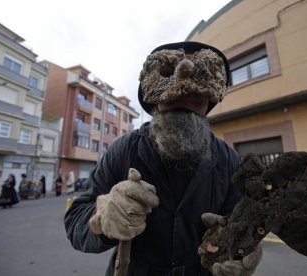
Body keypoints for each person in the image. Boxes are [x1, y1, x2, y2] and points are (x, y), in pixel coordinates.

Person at [64, 41, 262, 275]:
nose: (185, 79)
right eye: (170, 72)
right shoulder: (124, 149)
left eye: (201, 74)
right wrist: (101, 218)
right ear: (153, 97)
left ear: (210, 96)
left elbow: (241, 222)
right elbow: (76, 221)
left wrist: (242, 249)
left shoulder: (228, 159)